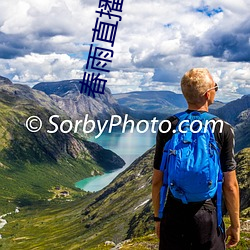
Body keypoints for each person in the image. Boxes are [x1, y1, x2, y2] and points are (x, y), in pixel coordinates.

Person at [152, 68, 240, 250]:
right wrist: (235, 225)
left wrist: (158, 218)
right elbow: (230, 185)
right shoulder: (222, 129)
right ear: (208, 94)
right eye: (216, 87)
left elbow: (157, 181)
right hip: (207, 215)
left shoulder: (168, 125)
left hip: (174, 212)